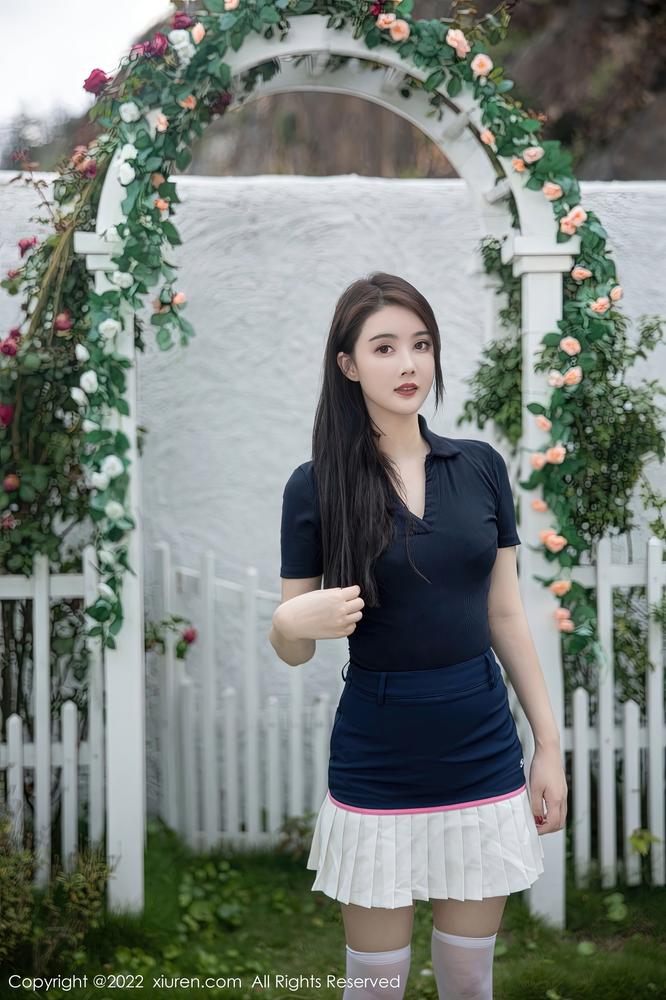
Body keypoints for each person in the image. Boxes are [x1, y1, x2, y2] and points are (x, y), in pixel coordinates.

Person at [269, 272, 567, 999]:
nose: (409, 364)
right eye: (385, 347)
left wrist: (548, 746)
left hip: (482, 747)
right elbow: (296, 644)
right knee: (376, 985)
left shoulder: (481, 467)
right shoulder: (315, 486)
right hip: (378, 754)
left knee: (468, 978)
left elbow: (504, 614)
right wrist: (287, 623)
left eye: (421, 344)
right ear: (348, 365)